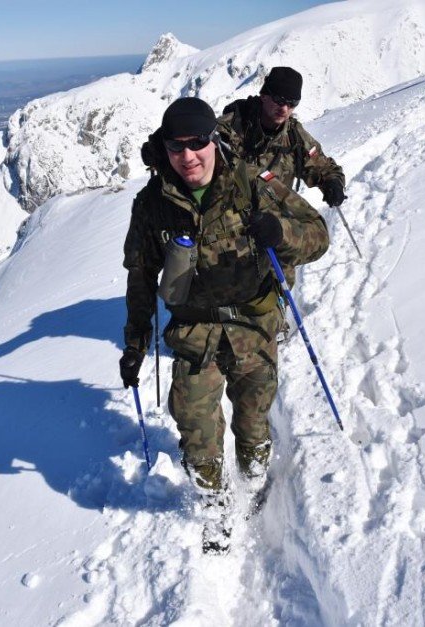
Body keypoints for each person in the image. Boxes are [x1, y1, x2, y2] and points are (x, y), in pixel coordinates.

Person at [120, 97, 329, 553]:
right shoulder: (152, 205)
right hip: (194, 334)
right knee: (195, 427)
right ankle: (214, 505)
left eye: (197, 143)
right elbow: (140, 277)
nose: (188, 156)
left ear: (213, 139)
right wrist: (135, 344)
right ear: (164, 148)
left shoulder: (254, 184)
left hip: (253, 327)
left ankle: (253, 480)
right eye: (176, 147)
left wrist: (282, 234)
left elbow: (317, 233)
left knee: (253, 422)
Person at [216, 66, 346, 209]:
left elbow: (323, 167)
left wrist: (333, 183)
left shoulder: (294, 136)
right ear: (264, 95)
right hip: (229, 216)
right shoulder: (231, 128)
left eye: (292, 103)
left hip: (272, 220)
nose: (284, 109)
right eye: (279, 100)